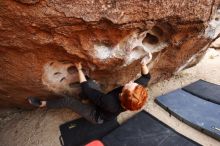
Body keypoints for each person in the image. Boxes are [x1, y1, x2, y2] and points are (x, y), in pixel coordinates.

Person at [28, 54, 152, 124]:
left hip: (97, 116)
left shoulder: (110, 102)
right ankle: (88, 98)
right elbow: (146, 77)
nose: (131, 82)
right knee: (91, 83)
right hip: (104, 104)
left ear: (123, 94)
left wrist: (79, 69)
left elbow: (87, 90)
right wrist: (143, 64)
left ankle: (43, 104)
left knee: (69, 101)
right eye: (135, 84)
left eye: (130, 84)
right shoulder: (134, 94)